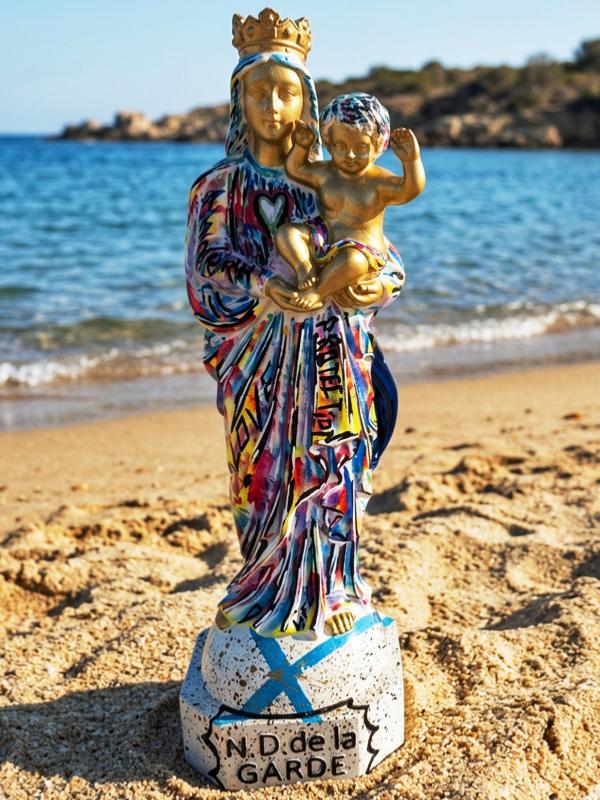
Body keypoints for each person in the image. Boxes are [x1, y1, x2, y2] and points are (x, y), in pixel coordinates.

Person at [185, 9, 405, 638]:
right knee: (261, 475)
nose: (273, 107)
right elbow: (206, 266)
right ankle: (263, 585)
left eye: (286, 92)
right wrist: (266, 288)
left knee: (333, 468)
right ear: (239, 100)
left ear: (305, 99)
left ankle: (332, 587)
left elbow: (379, 250)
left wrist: (379, 282)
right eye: (260, 92)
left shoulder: (332, 178)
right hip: (257, 357)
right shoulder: (218, 186)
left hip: (332, 352)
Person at [275, 93, 425, 310]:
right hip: (324, 239)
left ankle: (318, 292)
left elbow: (410, 190)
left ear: (377, 145)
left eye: (361, 148)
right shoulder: (326, 173)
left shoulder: (378, 181)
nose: (350, 155)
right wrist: (301, 147)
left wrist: (411, 161)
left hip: (363, 251)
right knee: (287, 233)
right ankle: (304, 269)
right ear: (328, 143)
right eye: (340, 146)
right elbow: (296, 169)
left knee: (353, 262)